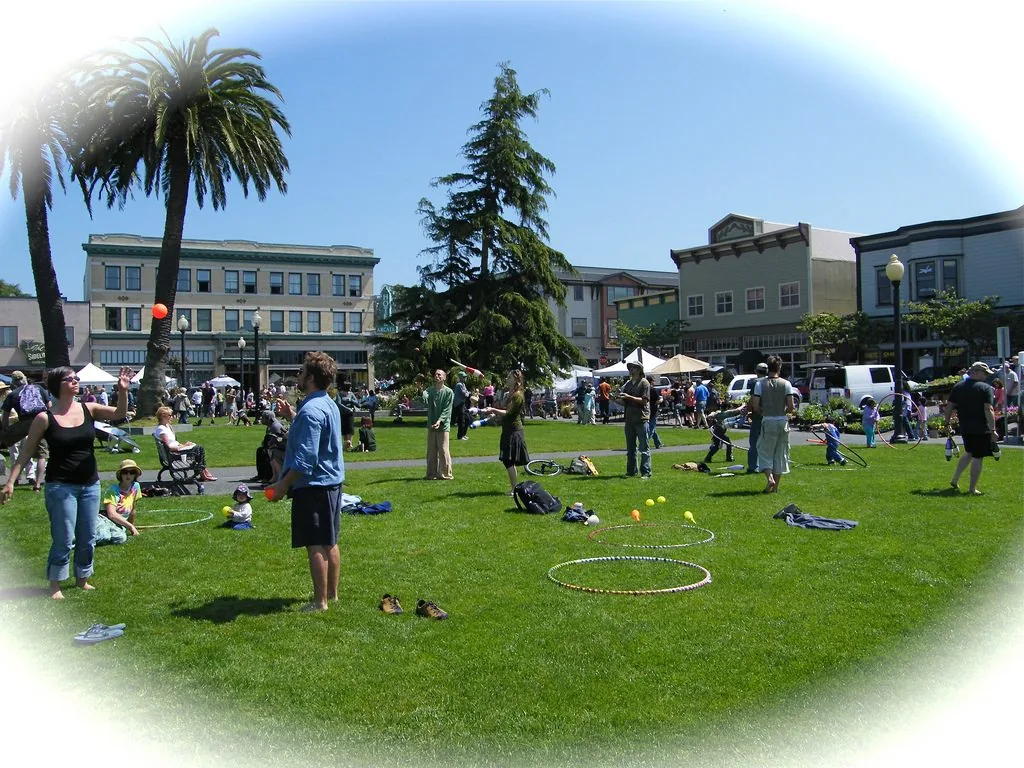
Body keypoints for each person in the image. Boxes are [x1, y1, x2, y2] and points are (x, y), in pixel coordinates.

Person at [0, 365, 133, 599]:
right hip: (61, 486)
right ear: (57, 385)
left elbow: (119, 413)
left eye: (76, 378)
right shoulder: (44, 417)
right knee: (64, 537)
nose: (76, 381)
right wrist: (11, 481)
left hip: (90, 484)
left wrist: (122, 391)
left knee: (88, 535)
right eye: (70, 379)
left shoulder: (88, 408)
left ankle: (83, 578)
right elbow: (26, 452)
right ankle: (56, 584)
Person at [267, 351, 345, 613]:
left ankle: (319, 602)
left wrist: (282, 485)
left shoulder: (311, 411)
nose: (298, 376)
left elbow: (305, 460)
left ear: (311, 378)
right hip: (331, 482)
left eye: (301, 372)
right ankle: (332, 595)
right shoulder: (326, 403)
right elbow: (314, 438)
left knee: (315, 545)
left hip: (314, 486)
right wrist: (293, 417)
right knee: (330, 541)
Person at [944, 361, 997, 496]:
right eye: (985, 373)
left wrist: (946, 423)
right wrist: (993, 429)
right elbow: (988, 408)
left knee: (969, 452)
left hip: (965, 427)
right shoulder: (985, 388)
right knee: (978, 457)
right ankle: (972, 489)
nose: (986, 376)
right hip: (981, 428)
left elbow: (949, 406)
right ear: (977, 373)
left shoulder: (958, 387)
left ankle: (955, 479)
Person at [749, 355, 797, 494]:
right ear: (779, 367)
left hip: (768, 420)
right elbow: (791, 406)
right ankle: (775, 488)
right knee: (780, 452)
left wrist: (764, 412)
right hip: (782, 420)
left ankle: (770, 478)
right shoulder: (786, 384)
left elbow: (756, 406)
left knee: (764, 451)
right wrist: (783, 412)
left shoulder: (760, 384)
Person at [481, 367, 530, 495]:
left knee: (508, 460)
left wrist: (493, 410)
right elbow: (503, 408)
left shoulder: (518, 395)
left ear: (516, 380)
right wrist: (493, 411)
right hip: (507, 430)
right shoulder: (508, 393)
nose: (507, 379)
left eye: (509, 377)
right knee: (508, 460)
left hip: (515, 431)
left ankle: (514, 489)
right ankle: (515, 487)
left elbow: (509, 413)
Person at [154, 406, 218, 482]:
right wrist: (184, 446)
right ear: (163, 416)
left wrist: (184, 445)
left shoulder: (167, 427)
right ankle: (204, 472)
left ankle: (203, 472)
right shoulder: (162, 429)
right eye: (170, 415)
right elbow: (169, 447)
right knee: (199, 449)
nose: (172, 417)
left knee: (198, 449)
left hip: (175, 451)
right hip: (173, 454)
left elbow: (173, 443)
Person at [614, 360, 651, 478]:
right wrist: (613, 399)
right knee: (630, 449)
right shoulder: (628, 384)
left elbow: (644, 400)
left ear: (639, 369)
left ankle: (646, 472)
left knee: (644, 448)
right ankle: (631, 471)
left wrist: (629, 397)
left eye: (633, 368)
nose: (631, 370)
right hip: (629, 419)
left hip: (641, 418)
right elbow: (624, 402)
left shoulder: (644, 383)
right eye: (630, 368)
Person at [96, 458, 143, 544]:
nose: (128, 475)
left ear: (135, 475)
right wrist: (130, 526)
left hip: (119, 524)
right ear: (120, 475)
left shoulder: (136, 487)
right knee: (103, 535)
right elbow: (112, 514)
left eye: (132, 472)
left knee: (120, 538)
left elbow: (133, 508)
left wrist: (131, 526)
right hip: (105, 519)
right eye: (125, 472)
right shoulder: (113, 490)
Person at [424, 369, 454, 480]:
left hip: (443, 425)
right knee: (431, 451)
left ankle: (445, 474)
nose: (437, 376)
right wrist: (420, 391)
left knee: (443, 449)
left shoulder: (449, 392)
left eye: (439, 374)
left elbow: (447, 409)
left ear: (444, 378)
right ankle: (431, 474)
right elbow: (425, 397)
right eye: (435, 374)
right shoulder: (430, 391)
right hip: (431, 425)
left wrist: (440, 421)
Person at [747, 362, 768, 474]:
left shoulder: (756, 383)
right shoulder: (770, 381)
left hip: (758, 414)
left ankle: (753, 466)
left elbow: (753, 399)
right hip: (769, 414)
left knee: (754, 441)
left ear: (756, 371)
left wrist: (747, 409)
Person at [259, 409, 288, 482]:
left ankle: (274, 476)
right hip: (275, 446)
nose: (261, 419)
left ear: (268, 419)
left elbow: (279, 439)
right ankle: (262, 475)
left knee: (269, 452)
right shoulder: (270, 426)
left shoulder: (275, 426)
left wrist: (269, 445)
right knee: (260, 451)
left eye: (262, 417)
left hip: (282, 448)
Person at [334, 381, 358, 451]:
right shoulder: (339, 394)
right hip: (343, 414)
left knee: (350, 429)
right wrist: (347, 408)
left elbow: (356, 402)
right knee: (344, 429)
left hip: (350, 414)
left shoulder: (351, 394)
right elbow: (339, 403)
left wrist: (351, 401)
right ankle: (345, 444)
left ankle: (350, 443)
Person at [452, 372, 470, 440]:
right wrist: (467, 393)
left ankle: (463, 434)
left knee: (467, 419)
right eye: (464, 377)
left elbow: (467, 393)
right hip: (459, 404)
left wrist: (467, 393)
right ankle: (460, 436)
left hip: (462, 404)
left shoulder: (463, 384)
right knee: (461, 420)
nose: (465, 378)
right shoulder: (459, 385)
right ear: (460, 377)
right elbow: (464, 395)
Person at [646, 376, 663, 449]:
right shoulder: (653, 390)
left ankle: (657, 443)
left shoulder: (644, 389)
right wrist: (662, 399)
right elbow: (657, 401)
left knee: (652, 427)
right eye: (653, 381)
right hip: (653, 410)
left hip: (646, 410)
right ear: (651, 381)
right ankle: (645, 443)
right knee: (651, 428)